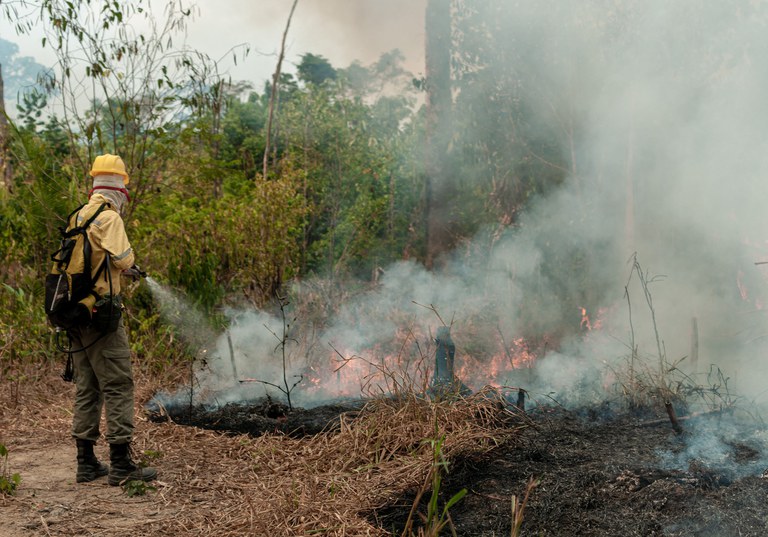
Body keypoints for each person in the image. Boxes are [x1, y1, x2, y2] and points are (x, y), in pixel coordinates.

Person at [69, 153, 157, 486]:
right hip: (101, 314)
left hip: (74, 313)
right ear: (119, 186)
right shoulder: (108, 217)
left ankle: (86, 462)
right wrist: (127, 265)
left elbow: (91, 261)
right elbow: (124, 257)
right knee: (118, 384)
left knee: (87, 386)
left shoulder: (79, 214)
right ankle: (121, 465)